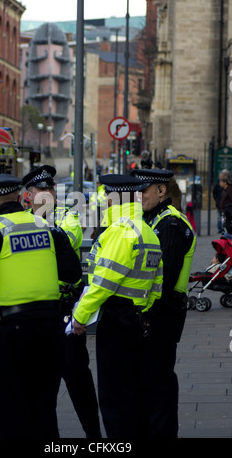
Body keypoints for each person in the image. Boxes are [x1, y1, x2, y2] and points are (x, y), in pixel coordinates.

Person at [0, 173, 82, 439]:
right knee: (43, 407)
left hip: (11, 331)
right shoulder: (48, 227)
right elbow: (73, 272)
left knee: (9, 412)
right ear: (20, 197)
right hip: (51, 328)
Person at [73, 174, 163, 439]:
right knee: (133, 392)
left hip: (117, 319)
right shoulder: (146, 230)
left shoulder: (120, 232)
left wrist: (80, 316)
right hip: (139, 319)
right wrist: (143, 311)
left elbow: (103, 284)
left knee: (113, 398)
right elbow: (157, 284)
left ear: (112, 199)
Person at [22, 165, 102, 439]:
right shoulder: (20, 222)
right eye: (41, 190)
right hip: (33, 316)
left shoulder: (67, 219)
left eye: (50, 189)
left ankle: (95, 437)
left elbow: (64, 243)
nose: (47, 194)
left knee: (79, 382)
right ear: (29, 196)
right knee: (41, 389)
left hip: (63, 316)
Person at [131, 168, 197, 438]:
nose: (138, 196)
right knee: (148, 381)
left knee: (158, 382)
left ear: (161, 191)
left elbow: (164, 279)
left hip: (163, 313)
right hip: (153, 313)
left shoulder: (170, 224)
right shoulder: (154, 219)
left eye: (143, 190)